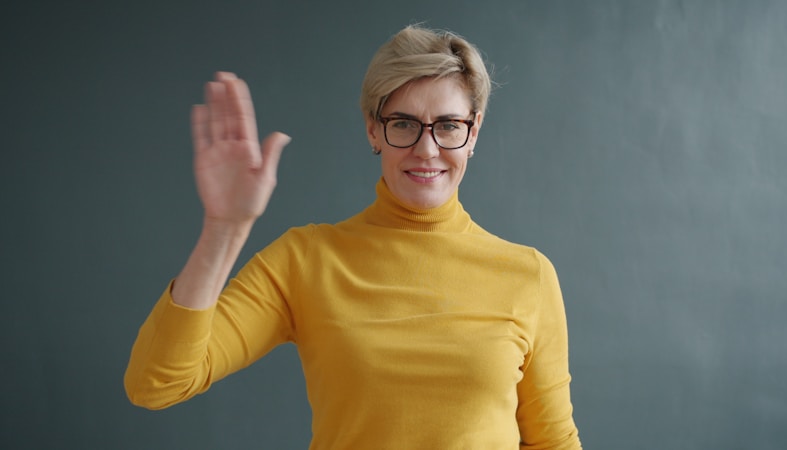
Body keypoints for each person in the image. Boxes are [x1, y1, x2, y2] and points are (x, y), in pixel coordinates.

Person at [124, 25, 582, 449]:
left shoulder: (528, 275)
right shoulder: (306, 259)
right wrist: (224, 229)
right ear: (373, 129)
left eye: (448, 125)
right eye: (403, 123)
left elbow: (553, 442)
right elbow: (156, 383)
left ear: (473, 131)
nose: (427, 148)